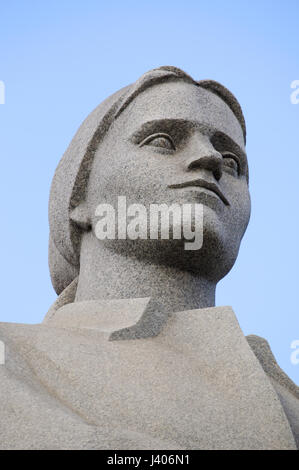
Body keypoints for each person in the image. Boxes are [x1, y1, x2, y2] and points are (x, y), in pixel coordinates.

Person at [0, 66, 298, 449]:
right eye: (162, 140)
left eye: (232, 162)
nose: (209, 158)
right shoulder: (11, 360)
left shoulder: (286, 397)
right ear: (79, 197)